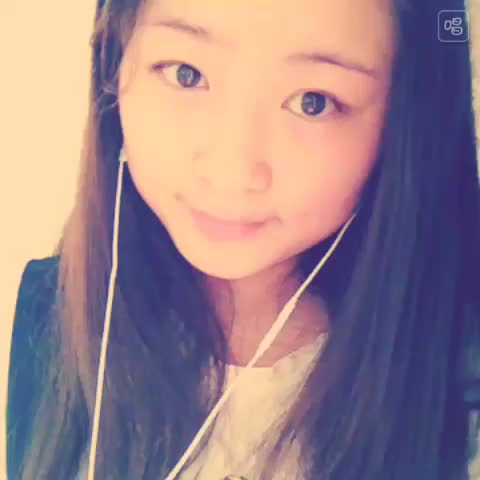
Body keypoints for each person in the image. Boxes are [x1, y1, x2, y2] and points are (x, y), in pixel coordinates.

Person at [6, 0, 480, 478]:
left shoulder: (456, 374)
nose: (231, 171)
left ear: (402, 125)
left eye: (313, 102)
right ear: (114, 64)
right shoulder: (39, 319)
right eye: (187, 74)